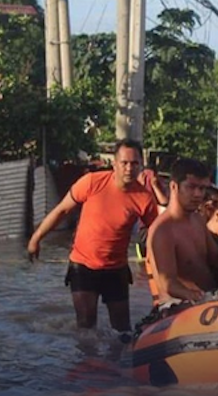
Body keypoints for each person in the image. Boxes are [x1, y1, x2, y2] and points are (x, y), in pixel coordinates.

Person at [27, 139, 158, 334]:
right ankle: (87, 363)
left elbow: (156, 233)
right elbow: (61, 211)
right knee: (86, 327)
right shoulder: (92, 182)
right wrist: (36, 239)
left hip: (116, 269)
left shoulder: (144, 198)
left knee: (122, 330)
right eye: (124, 163)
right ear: (114, 163)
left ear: (141, 165)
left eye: (135, 163)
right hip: (83, 266)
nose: (129, 168)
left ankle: (119, 364)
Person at [146, 158, 218, 305]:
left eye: (202, 188)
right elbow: (168, 284)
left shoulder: (198, 219)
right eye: (191, 187)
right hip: (176, 311)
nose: (198, 194)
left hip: (206, 305)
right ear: (174, 186)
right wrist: (202, 298)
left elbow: (217, 259)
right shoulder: (162, 230)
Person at [134, 167, 168, 260]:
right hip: (144, 229)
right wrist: (140, 186)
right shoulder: (138, 188)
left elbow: (164, 201)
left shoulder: (162, 186)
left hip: (159, 227)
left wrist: (155, 185)